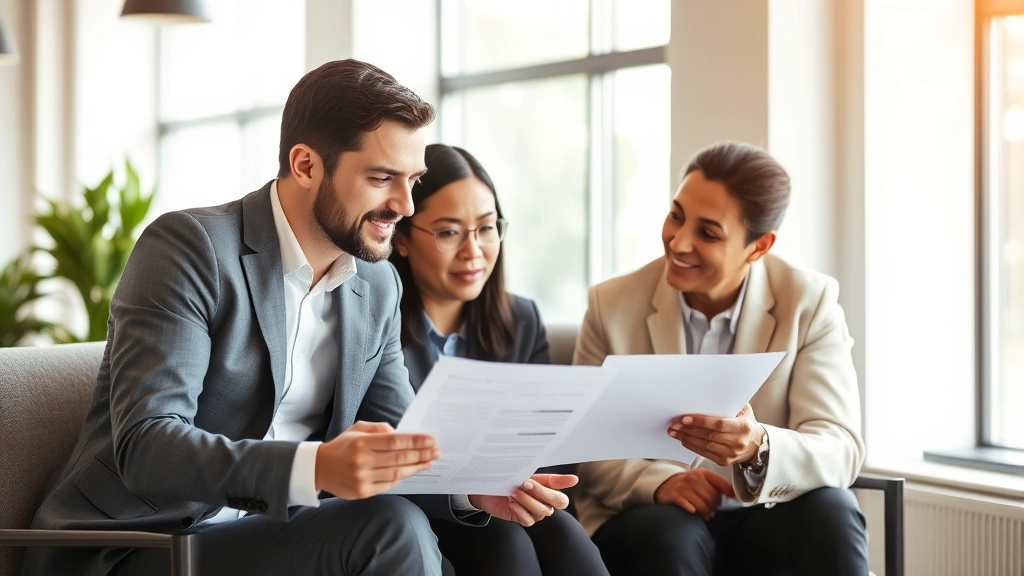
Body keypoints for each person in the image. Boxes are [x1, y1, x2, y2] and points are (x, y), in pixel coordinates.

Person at [23, 59, 573, 576]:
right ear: (306, 165)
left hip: (266, 536)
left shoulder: (376, 284)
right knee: (387, 528)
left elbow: (405, 438)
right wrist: (315, 468)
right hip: (139, 543)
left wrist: (472, 486)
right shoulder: (189, 248)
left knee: (441, 532)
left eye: (413, 179)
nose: (406, 205)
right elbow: (148, 445)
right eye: (383, 178)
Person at [573, 142, 869, 576]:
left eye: (707, 233)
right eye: (676, 215)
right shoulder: (611, 305)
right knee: (671, 534)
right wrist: (662, 483)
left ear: (758, 246)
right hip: (653, 519)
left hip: (768, 514)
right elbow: (587, 443)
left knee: (833, 510)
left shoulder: (809, 303)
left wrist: (757, 448)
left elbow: (839, 447)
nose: (678, 241)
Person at [388, 144, 609, 576]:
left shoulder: (521, 319)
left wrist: (526, 483)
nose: (474, 251)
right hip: (424, 507)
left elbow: (550, 442)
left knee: (562, 531)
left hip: (509, 499)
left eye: (486, 228)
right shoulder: (375, 326)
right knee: (503, 542)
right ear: (402, 240)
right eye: (449, 232)